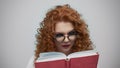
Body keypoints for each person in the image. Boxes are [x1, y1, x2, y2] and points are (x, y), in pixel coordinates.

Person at [26, 4, 94, 68]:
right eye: (59, 35)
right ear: (50, 37)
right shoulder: (36, 61)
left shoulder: (89, 58)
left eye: (71, 33)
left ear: (78, 34)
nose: (66, 40)